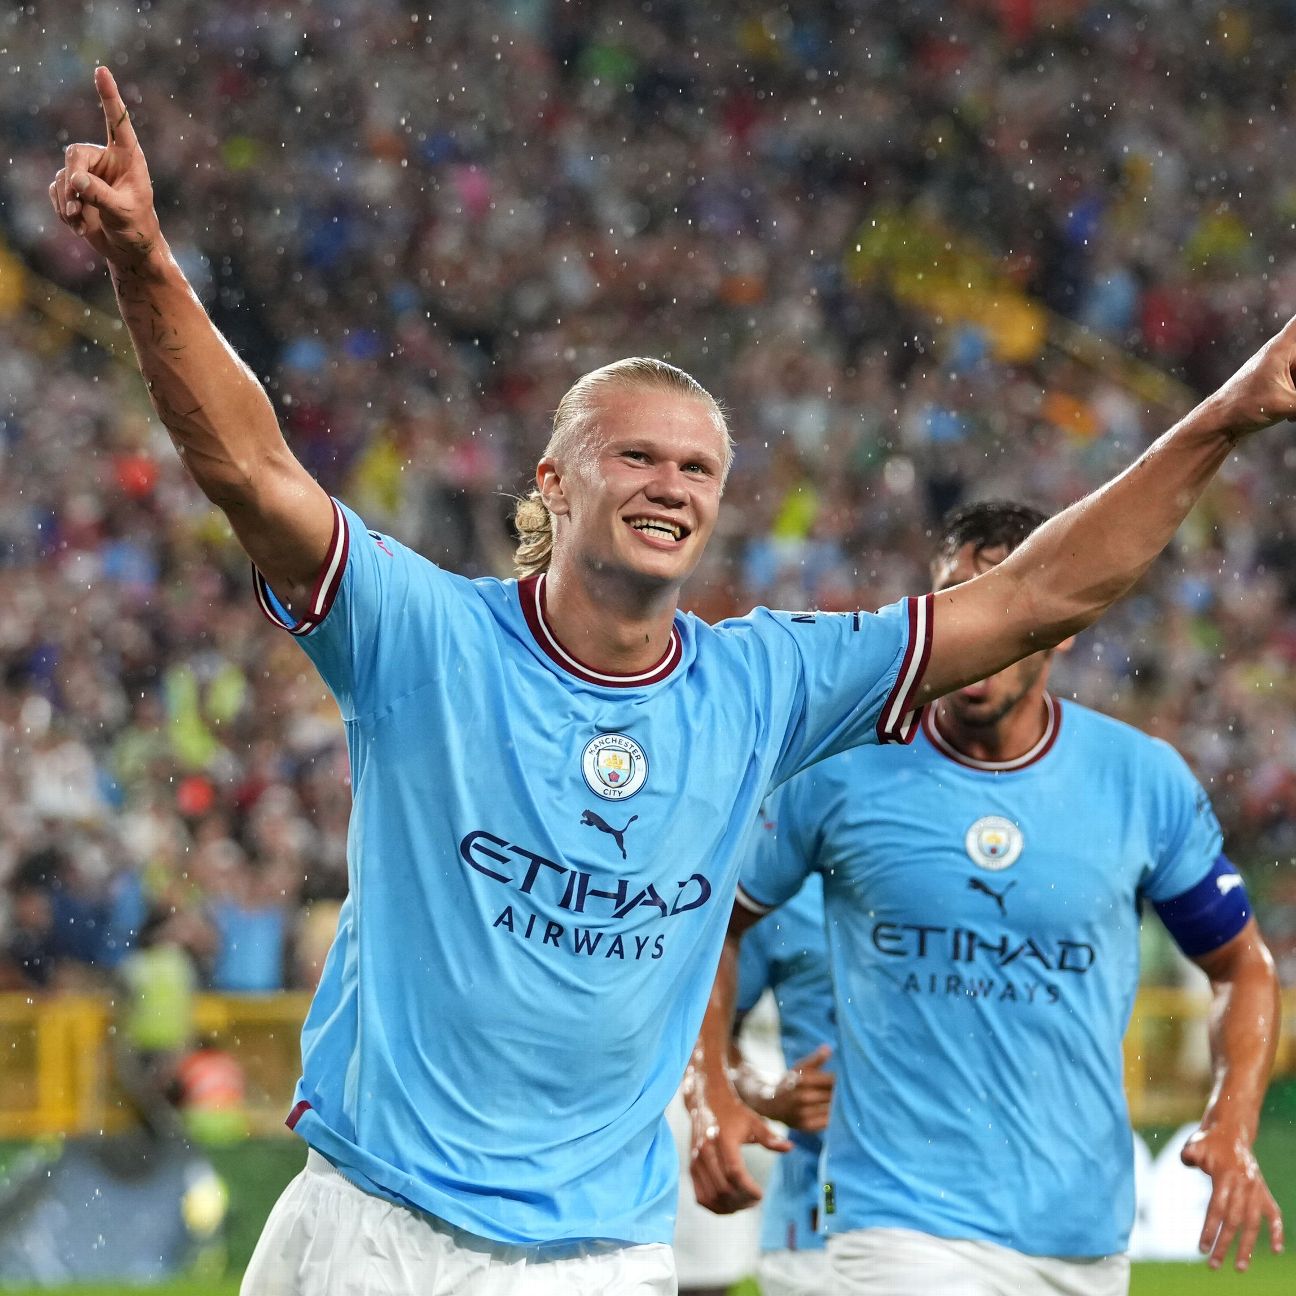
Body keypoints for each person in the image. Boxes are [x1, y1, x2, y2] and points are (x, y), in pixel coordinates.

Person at [49, 67, 1296, 1294]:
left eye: (699, 470)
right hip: (366, 1219)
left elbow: (1036, 598)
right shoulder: (426, 636)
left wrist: (1225, 415)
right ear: (553, 481)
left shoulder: (768, 682)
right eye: (635, 455)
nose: (672, 486)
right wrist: (148, 263)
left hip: (590, 1256)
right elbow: (254, 474)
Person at [688, 501, 1285, 1295]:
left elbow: (1242, 968)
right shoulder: (841, 771)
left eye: (1008, 601)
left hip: (1083, 1230)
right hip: (894, 1219)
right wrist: (718, 1088)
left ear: (1063, 624)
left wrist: (1232, 1118)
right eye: (959, 600)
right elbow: (707, 927)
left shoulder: (1141, 780)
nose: (983, 630)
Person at [692, 872, 836, 1296]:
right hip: (824, 1212)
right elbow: (707, 1032)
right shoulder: (779, 893)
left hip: (1002, 1211)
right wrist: (766, 1096)